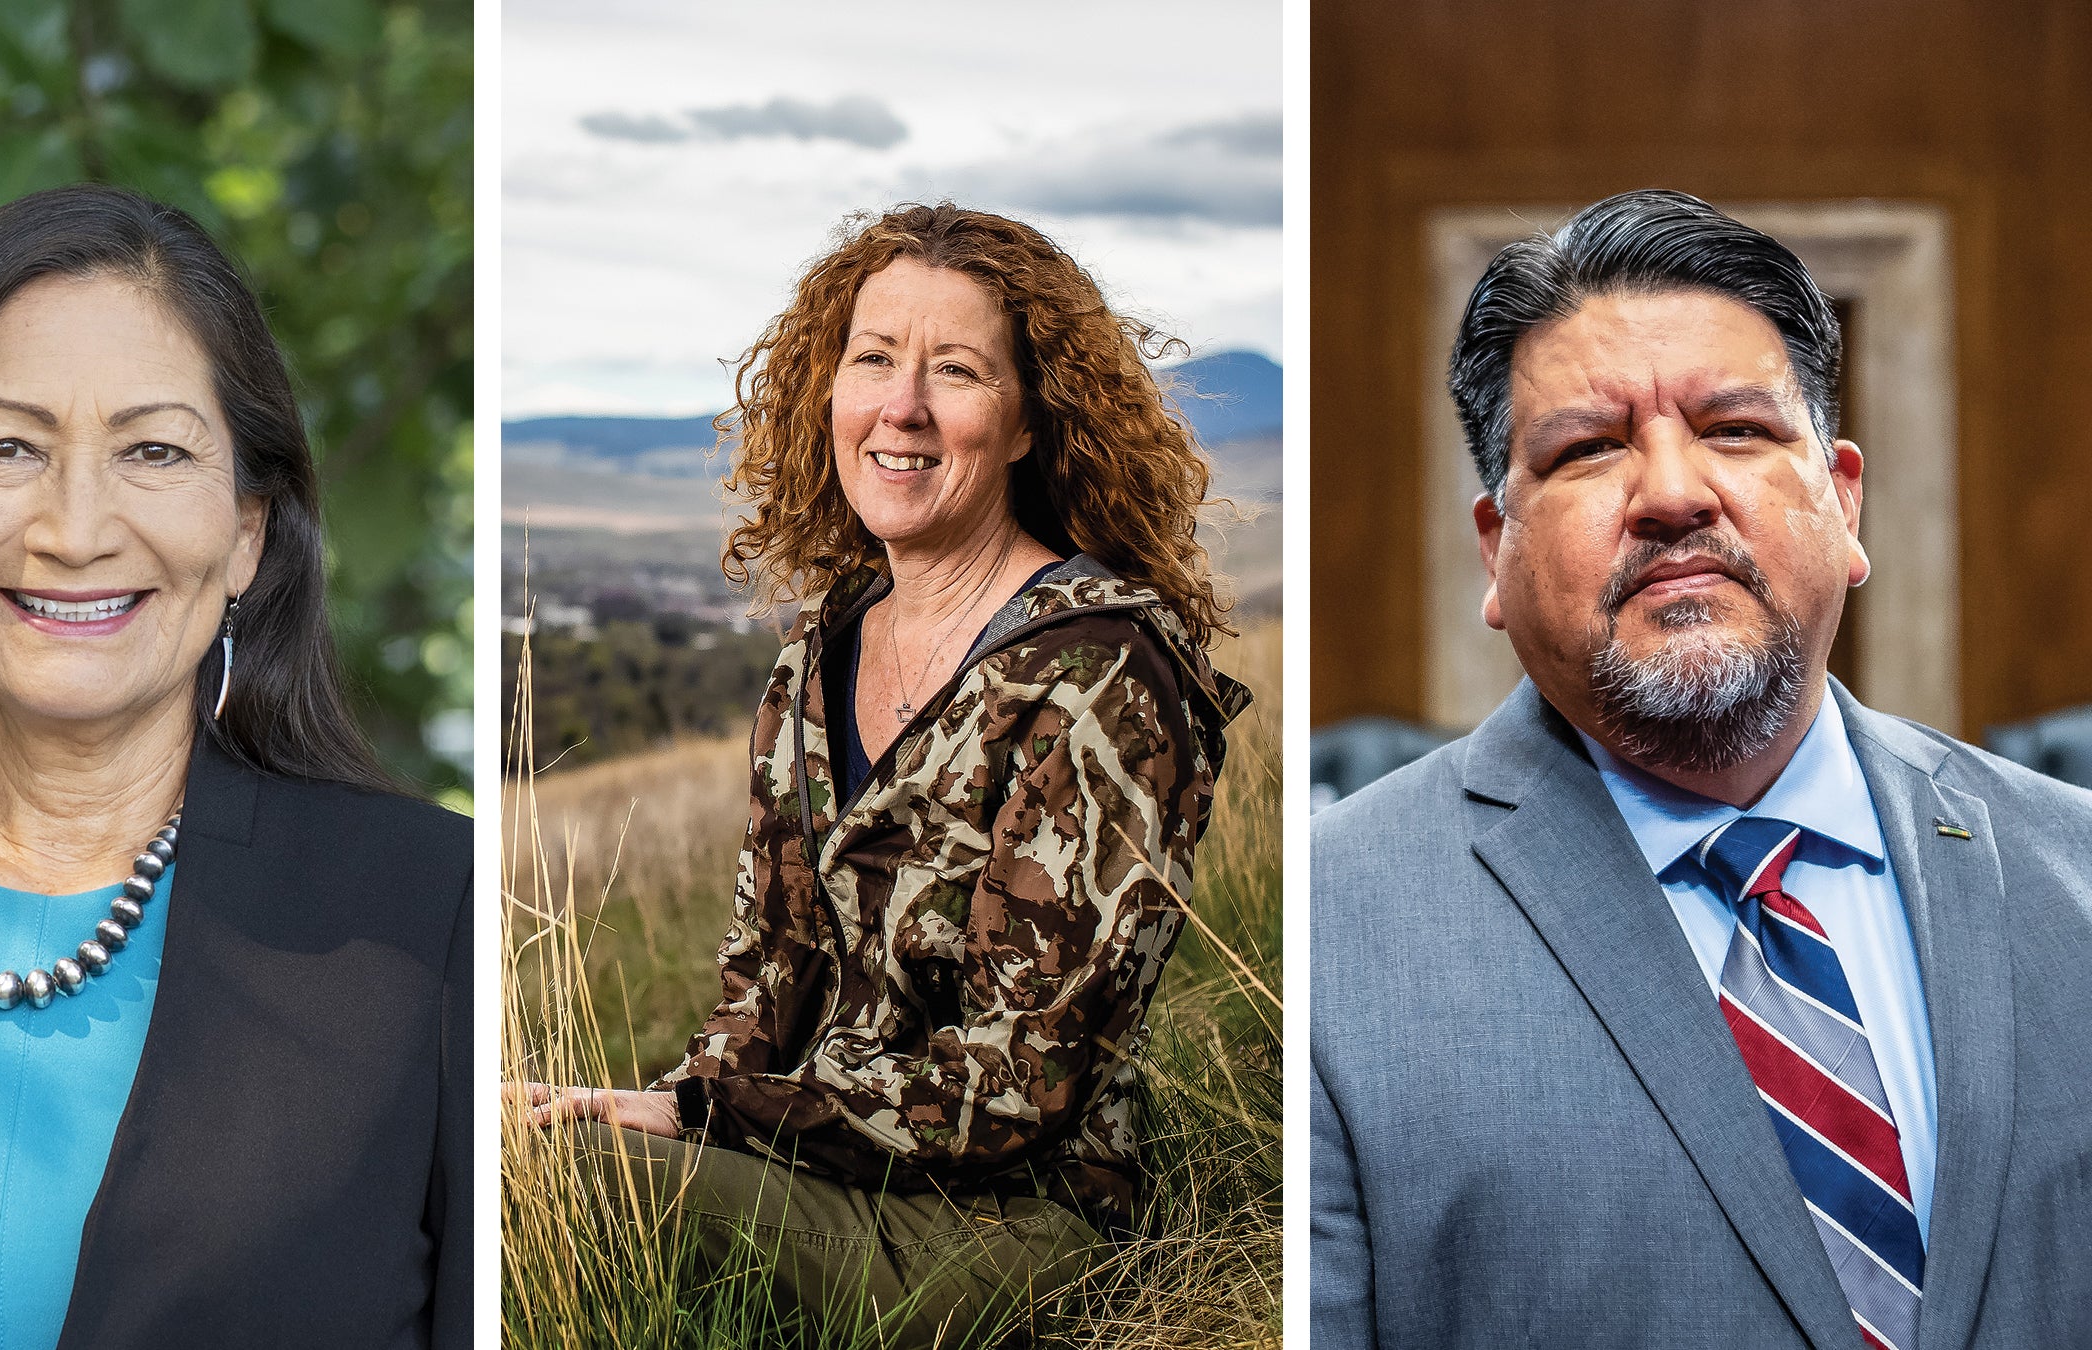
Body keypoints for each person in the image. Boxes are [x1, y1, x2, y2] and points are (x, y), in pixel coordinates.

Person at [1312, 188, 2092, 1350]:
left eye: (1735, 428)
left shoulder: (2075, 875)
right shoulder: (1328, 936)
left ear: (1844, 497)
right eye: (1587, 449)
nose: (1674, 494)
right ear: (1497, 550)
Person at [0, 186, 470, 1348]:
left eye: (153, 450)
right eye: (6, 446)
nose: (73, 528)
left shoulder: (432, 918)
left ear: (248, 530)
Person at [519, 202, 1250, 1346]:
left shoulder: (1099, 678)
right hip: (822, 1170)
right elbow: (763, 976)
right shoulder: (823, 655)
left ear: (1024, 422)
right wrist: (683, 1101)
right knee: (522, 1140)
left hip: (1005, 1223)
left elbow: (1019, 1089)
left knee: (558, 1193)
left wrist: (714, 1113)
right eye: (873, 360)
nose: (901, 408)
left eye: (955, 371)